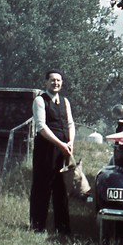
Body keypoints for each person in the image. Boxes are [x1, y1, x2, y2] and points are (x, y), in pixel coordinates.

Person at [29, 69, 76, 235]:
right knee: (42, 187)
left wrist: (70, 142)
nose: (56, 83)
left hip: (63, 149)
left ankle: (62, 228)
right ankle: (37, 226)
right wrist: (60, 144)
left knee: (61, 187)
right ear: (46, 82)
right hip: (46, 149)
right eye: (53, 80)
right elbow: (41, 127)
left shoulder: (65, 101)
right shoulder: (40, 101)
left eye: (59, 80)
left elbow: (70, 124)